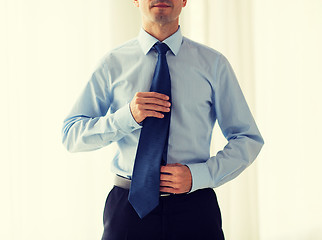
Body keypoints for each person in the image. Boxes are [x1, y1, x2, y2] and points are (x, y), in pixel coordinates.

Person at [62, 0, 264, 239]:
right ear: (135, 0)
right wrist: (126, 117)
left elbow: (247, 138)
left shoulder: (214, 64)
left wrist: (199, 175)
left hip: (195, 209)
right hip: (128, 210)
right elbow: (72, 135)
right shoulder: (111, 64)